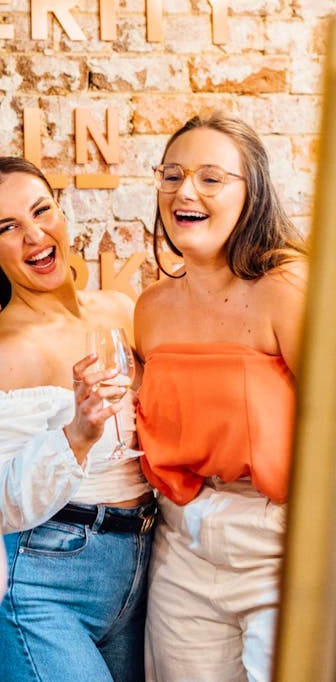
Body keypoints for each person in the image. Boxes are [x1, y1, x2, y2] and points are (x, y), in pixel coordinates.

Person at [134, 112, 307, 682]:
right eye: (173, 174)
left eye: (212, 178)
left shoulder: (287, 290)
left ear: (251, 193)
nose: (186, 191)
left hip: (281, 547)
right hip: (183, 543)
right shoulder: (151, 309)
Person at [0, 156, 156, 682]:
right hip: (45, 578)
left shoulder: (120, 308)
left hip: (145, 564)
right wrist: (77, 435)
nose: (34, 235)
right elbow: (2, 502)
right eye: (7, 227)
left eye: (42, 211)